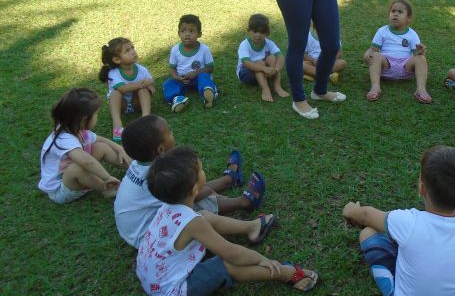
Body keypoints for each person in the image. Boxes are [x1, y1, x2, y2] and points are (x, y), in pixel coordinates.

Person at [136, 147, 318, 295]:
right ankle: (285, 274)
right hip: (170, 290)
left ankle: (251, 228)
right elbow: (231, 253)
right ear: (194, 189)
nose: (203, 170)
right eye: (201, 169)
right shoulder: (192, 223)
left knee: (205, 215)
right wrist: (262, 259)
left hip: (153, 278)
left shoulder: (166, 207)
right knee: (224, 265)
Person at [114, 115, 269, 249]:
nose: (173, 134)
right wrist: (206, 190)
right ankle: (243, 202)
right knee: (193, 205)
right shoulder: (157, 176)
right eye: (170, 132)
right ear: (160, 150)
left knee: (189, 190)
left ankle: (229, 180)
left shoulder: (140, 164)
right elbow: (191, 196)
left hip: (135, 228)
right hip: (148, 238)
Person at [342, 146, 455, 296]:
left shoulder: (408, 223)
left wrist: (351, 210)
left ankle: (391, 286)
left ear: (422, 189)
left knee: (368, 233)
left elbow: (366, 216)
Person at [38, 88, 131, 204]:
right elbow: (87, 162)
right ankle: (109, 188)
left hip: (77, 173)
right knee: (75, 169)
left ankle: (134, 167)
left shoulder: (75, 127)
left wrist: (120, 149)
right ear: (84, 119)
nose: (97, 116)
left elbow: (101, 139)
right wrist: (107, 177)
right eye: (96, 114)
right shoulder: (64, 139)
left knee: (101, 147)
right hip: (61, 189)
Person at [363, 0, 432, 104]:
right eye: (393, 11)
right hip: (386, 66)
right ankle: (375, 87)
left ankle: (421, 89)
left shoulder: (412, 34)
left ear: (408, 18)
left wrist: (420, 52)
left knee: (421, 58)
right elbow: (374, 49)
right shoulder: (382, 31)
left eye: (400, 12)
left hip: (405, 67)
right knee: (376, 56)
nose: (395, 14)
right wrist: (368, 52)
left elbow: (415, 55)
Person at [99, 37, 155, 142]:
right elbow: (123, 89)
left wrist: (150, 86)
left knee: (143, 90)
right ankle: (117, 124)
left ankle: (146, 118)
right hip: (122, 106)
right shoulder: (114, 73)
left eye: (132, 47)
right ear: (117, 59)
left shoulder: (141, 70)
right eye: (127, 50)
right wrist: (142, 84)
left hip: (136, 103)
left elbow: (152, 87)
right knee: (115, 93)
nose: (133, 51)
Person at [162, 14, 218, 113]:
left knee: (204, 77)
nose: (187, 34)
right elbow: (172, 69)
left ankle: (208, 93)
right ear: (179, 33)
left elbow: (210, 68)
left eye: (191, 31)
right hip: (182, 79)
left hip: (198, 77)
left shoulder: (204, 49)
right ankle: (178, 99)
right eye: (183, 31)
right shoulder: (175, 50)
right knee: (168, 84)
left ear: (199, 34)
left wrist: (196, 73)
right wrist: (177, 78)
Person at [236, 13, 289, 102]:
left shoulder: (269, 43)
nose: (258, 35)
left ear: (267, 33)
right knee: (259, 62)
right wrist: (264, 68)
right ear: (248, 31)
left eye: (262, 32)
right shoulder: (244, 45)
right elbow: (246, 63)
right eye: (255, 31)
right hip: (246, 74)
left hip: (265, 73)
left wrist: (276, 69)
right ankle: (265, 89)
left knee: (272, 58)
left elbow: (280, 57)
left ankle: (277, 86)